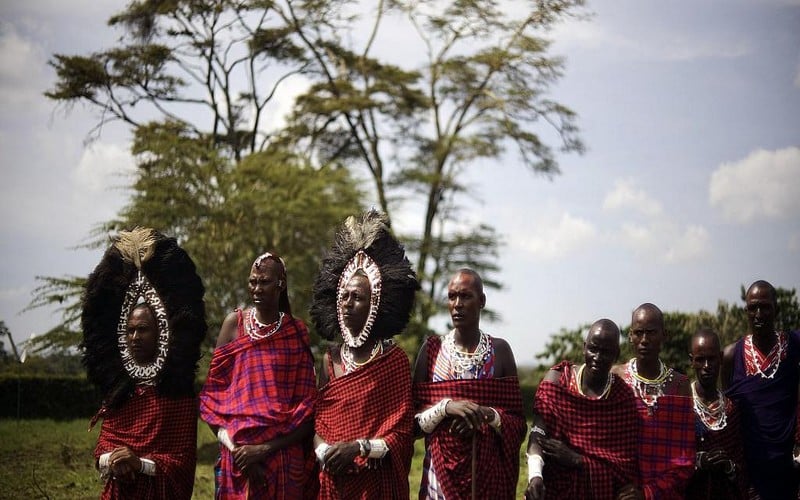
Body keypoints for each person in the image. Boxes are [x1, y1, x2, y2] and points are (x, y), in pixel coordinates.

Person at [82, 228, 207, 499]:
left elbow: (182, 464)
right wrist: (115, 461)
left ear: (161, 331)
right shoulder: (120, 391)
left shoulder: (178, 396)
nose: (135, 337)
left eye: (143, 330)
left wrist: (140, 464)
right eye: (130, 330)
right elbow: (101, 450)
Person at [310, 210, 419, 499]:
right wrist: (326, 453)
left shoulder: (394, 361)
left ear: (375, 303)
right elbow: (317, 423)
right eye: (343, 296)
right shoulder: (330, 360)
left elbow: (402, 434)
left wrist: (358, 448)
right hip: (334, 482)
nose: (347, 303)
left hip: (376, 485)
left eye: (356, 297)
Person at [199, 252, 317, 499]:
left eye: (265, 282)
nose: (257, 288)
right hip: (237, 457)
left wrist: (264, 449)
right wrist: (239, 450)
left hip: (282, 457)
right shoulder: (234, 324)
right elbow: (211, 398)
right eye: (253, 282)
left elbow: (306, 408)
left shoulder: (295, 331)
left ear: (281, 284)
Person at [413, 269, 527, 500]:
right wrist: (445, 408)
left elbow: (518, 427)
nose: (457, 304)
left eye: (465, 296)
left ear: (482, 301)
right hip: (438, 481)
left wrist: (484, 415)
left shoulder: (500, 351)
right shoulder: (432, 352)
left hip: (488, 481)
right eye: (452, 296)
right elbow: (410, 425)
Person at [525, 319, 641, 500]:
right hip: (552, 490)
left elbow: (623, 469)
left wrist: (577, 460)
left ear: (616, 355)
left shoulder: (621, 397)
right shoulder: (558, 380)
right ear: (584, 347)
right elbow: (538, 432)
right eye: (593, 349)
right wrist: (535, 476)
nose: (597, 357)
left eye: (606, 352)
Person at [721, 280, 800, 499]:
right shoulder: (731, 356)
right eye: (752, 307)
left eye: (765, 306)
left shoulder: (794, 344)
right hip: (750, 472)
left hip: (791, 468)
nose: (758, 313)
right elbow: (729, 419)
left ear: (777, 309)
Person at [611, 303, 694, 500]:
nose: (644, 340)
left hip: (665, 492)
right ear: (630, 336)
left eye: (651, 333)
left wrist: (647, 494)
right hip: (619, 490)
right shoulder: (615, 377)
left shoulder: (680, 385)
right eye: (638, 333)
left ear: (664, 335)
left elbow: (685, 458)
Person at [686, 327, 747, 499]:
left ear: (721, 358)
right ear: (691, 361)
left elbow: (741, 465)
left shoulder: (731, 409)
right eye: (700, 359)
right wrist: (700, 461)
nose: (706, 366)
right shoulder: (683, 407)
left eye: (711, 359)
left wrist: (728, 465)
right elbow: (673, 461)